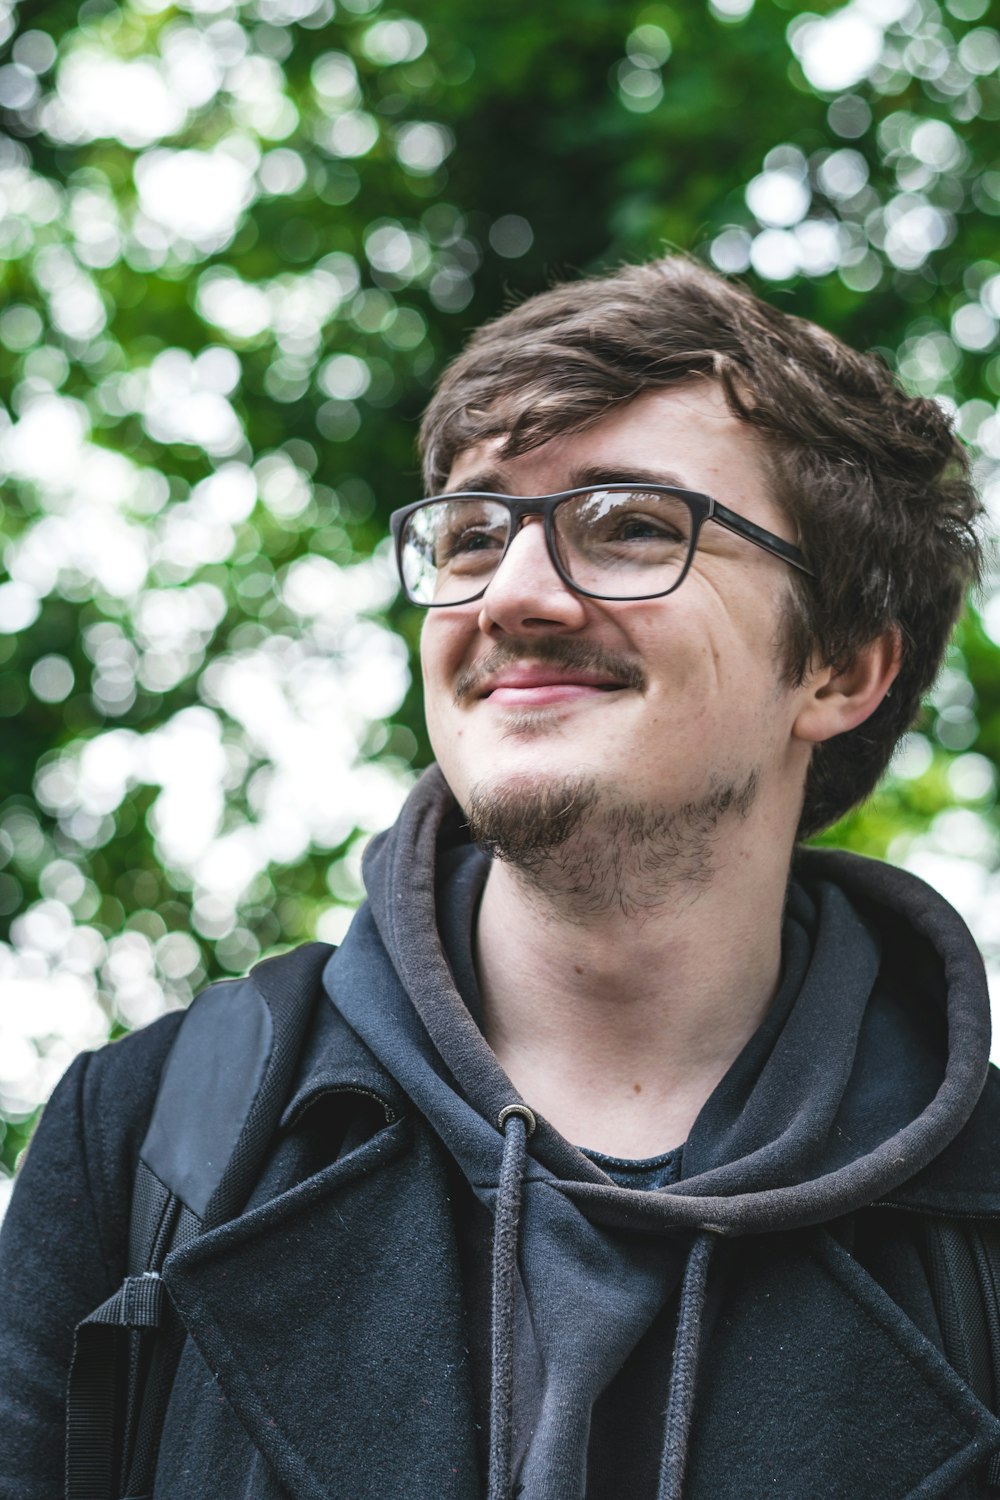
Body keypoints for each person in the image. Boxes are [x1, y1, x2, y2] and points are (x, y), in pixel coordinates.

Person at [2, 255, 1000, 1500]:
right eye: (472, 532)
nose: (512, 595)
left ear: (841, 670)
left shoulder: (979, 1221)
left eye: (632, 524)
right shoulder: (147, 1140)